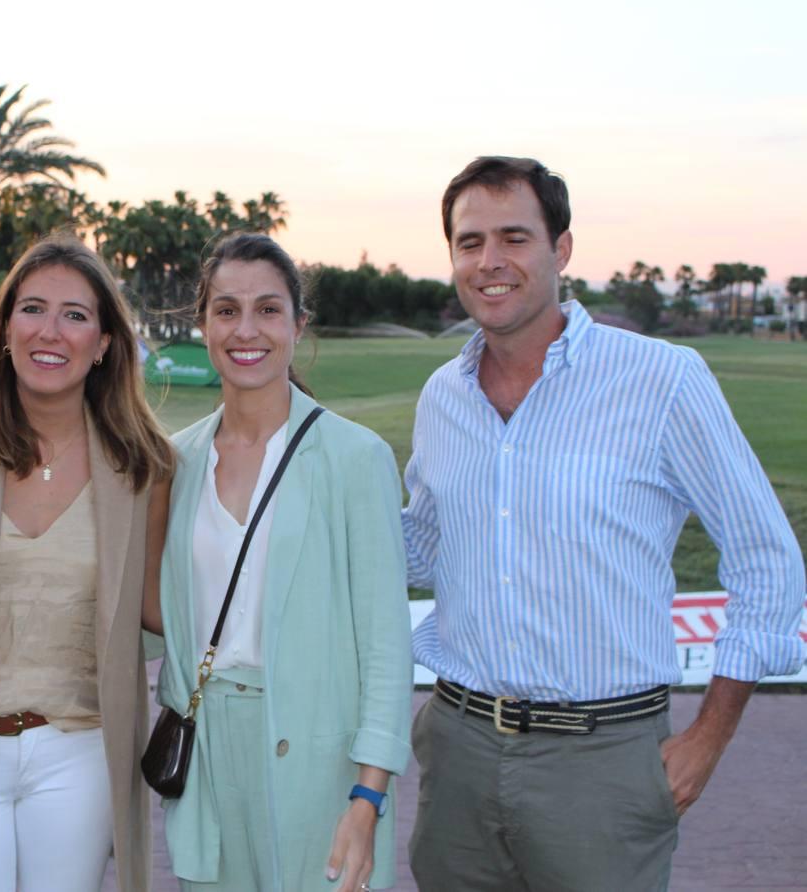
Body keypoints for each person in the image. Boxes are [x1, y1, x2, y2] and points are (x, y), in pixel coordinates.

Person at [404, 156, 807, 890]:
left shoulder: (662, 380)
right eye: (469, 243)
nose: (489, 261)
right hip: (458, 755)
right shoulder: (442, 397)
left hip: (602, 767)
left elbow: (766, 559)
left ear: (560, 250)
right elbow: (424, 550)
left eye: (514, 237)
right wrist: (303, 494)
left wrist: (708, 740)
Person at [0, 236, 174, 892]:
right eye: (33, 309)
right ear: (5, 329)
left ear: (103, 343)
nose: (51, 331)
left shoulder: (140, 468)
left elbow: (156, 602)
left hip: (78, 751)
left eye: (75, 315)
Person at [148, 234, 413, 892]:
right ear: (203, 323)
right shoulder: (172, 464)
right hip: (208, 761)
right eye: (226, 309)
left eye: (268, 310)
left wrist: (367, 799)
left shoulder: (355, 458)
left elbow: (386, 645)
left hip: (321, 763)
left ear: (298, 326)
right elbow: (155, 615)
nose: (246, 330)